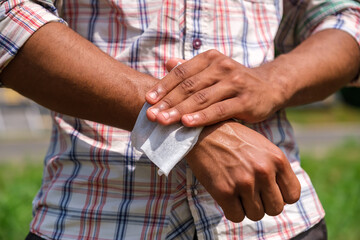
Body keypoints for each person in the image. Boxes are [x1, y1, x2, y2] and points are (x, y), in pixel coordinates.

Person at [0, 0, 359, 239]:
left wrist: (274, 80)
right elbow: (9, 15)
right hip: (96, 219)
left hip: (276, 220)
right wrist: (192, 131)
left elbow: (347, 19)